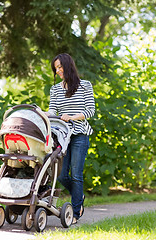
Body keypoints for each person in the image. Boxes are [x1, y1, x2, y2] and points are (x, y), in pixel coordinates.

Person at [46, 53, 95, 224]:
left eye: (60, 67)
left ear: (68, 65)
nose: (58, 71)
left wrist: (71, 117)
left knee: (76, 174)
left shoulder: (85, 86)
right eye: (56, 68)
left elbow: (90, 111)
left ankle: (75, 212)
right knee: (60, 175)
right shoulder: (55, 89)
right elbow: (53, 110)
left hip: (80, 134)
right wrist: (45, 114)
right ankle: (78, 194)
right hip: (63, 136)